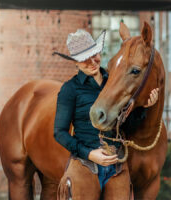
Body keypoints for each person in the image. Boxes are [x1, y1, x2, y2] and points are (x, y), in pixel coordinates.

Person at [53, 29, 159, 200]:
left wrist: (145, 107)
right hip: (85, 164)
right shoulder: (70, 89)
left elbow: (126, 126)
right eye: (84, 59)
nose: (92, 61)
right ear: (76, 63)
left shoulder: (114, 81)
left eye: (94, 54)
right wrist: (89, 153)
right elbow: (59, 133)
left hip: (117, 167)